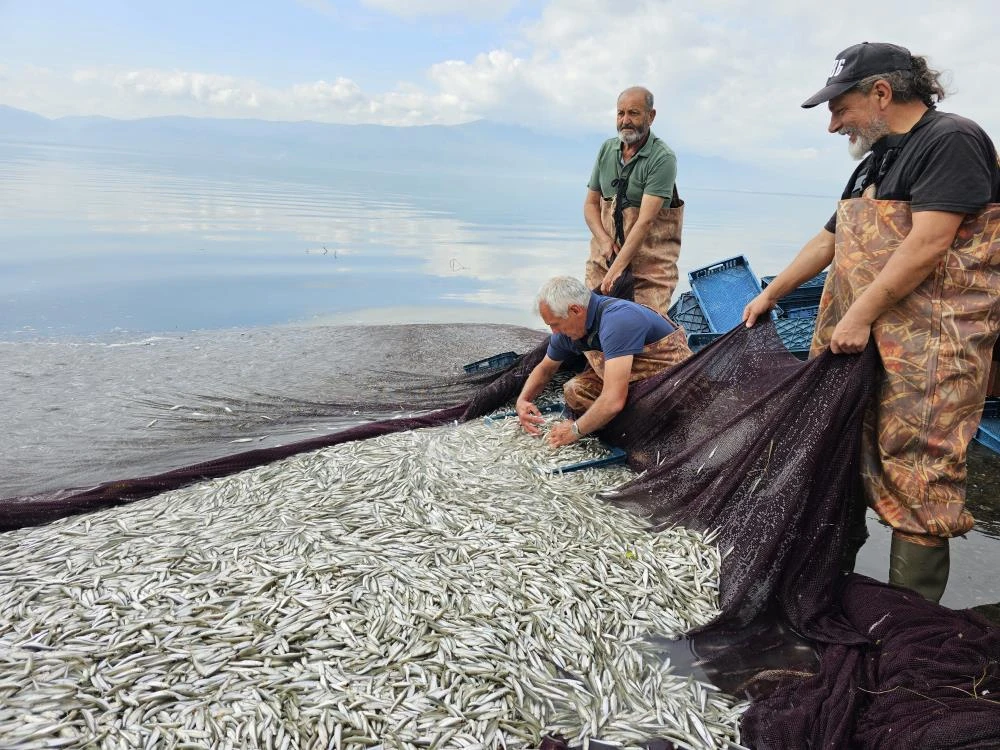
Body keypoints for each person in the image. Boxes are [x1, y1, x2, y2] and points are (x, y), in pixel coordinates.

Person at [743, 42, 1000, 603]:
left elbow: (930, 241)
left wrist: (857, 315)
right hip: (867, 349)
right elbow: (831, 238)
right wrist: (774, 293)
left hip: (932, 351)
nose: (834, 124)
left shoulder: (950, 140)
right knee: (845, 460)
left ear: (881, 92)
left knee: (920, 480)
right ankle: (835, 594)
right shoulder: (876, 159)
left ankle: (907, 623)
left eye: (841, 108)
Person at [516, 276, 691, 447]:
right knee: (574, 390)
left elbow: (614, 399)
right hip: (627, 379)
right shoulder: (567, 332)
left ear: (575, 310)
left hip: (674, 380)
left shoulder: (618, 320)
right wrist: (523, 400)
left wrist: (574, 431)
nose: (554, 332)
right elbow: (545, 369)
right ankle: (616, 428)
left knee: (650, 408)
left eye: (555, 324)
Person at [584, 86, 684, 315]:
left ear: (651, 116)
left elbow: (645, 222)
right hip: (603, 260)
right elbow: (590, 205)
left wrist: (617, 270)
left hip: (650, 269)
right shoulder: (606, 150)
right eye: (621, 113)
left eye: (633, 113)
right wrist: (605, 243)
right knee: (588, 328)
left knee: (644, 331)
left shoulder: (662, 158)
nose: (625, 120)